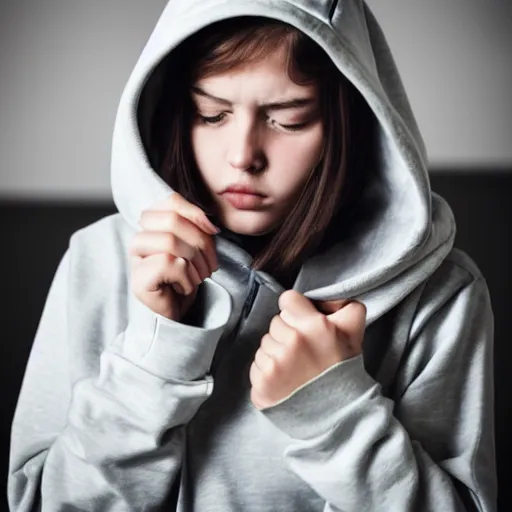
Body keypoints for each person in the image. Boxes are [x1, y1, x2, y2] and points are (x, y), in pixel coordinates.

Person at [8, 1, 496, 510]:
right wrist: (155, 354)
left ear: (352, 121)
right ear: (178, 111)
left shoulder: (443, 293)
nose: (243, 155)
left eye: (289, 120)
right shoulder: (99, 260)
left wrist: (334, 411)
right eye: (211, 114)